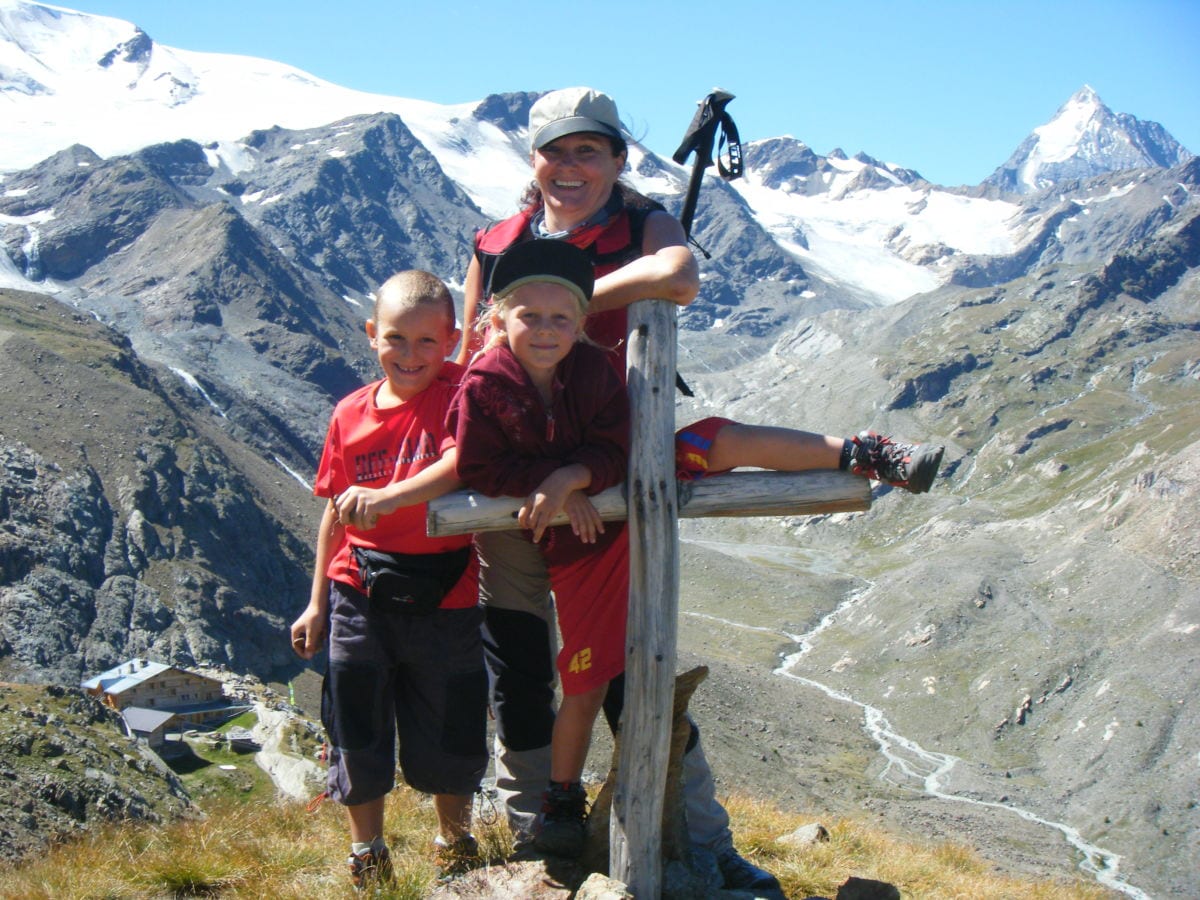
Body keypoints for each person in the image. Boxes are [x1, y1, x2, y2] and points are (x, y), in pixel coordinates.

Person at [457, 86, 943, 896]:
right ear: (532, 158)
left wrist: (565, 296)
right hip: (515, 485)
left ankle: (699, 843)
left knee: (624, 668)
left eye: (590, 151)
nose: (571, 167)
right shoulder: (494, 242)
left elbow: (677, 276)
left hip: (612, 463)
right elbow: (475, 351)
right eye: (556, 151)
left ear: (617, 158)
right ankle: (534, 838)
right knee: (518, 668)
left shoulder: (641, 223)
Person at [289, 270, 488, 891]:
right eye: (396, 339)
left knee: (451, 722)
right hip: (357, 590)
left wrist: (388, 496)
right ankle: (367, 851)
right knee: (356, 718)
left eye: (429, 342)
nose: (411, 356)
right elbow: (333, 510)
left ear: (453, 340)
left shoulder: (462, 392)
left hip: (447, 591)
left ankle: (454, 845)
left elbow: (460, 464)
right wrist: (316, 600)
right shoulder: (349, 413)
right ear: (372, 334)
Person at [450, 239, 630, 858]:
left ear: (583, 324)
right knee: (522, 663)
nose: (546, 331)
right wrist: (554, 484)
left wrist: (573, 479)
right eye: (530, 316)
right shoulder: (483, 383)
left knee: (592, 661)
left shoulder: (594, 373)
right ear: (498, 319)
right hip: (512, 536)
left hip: (582, 531)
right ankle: (533, 812)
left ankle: (565, 797)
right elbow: (477, 466)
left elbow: (616, 446)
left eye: (562, 319)